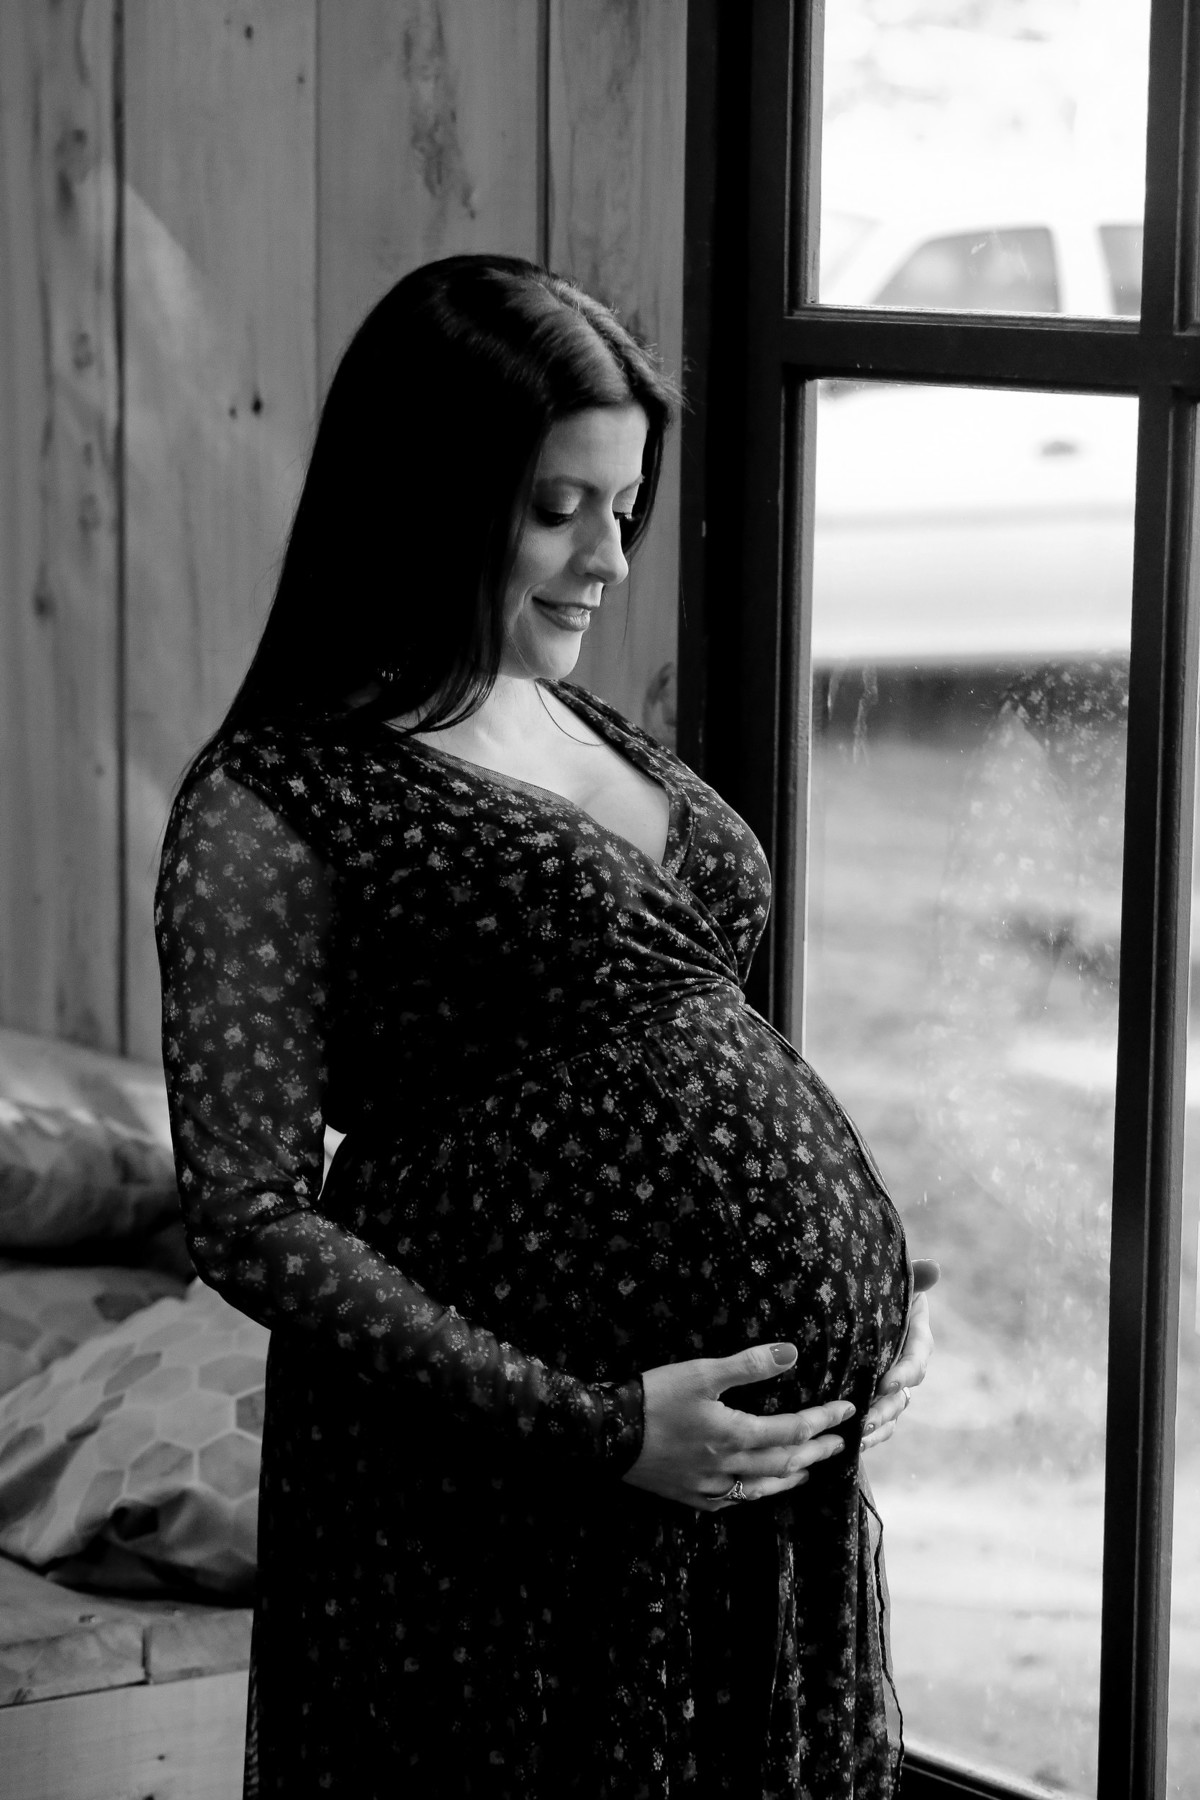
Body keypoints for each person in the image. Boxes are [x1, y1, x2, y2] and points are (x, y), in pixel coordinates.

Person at [155, 254, 935, 1799]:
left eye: (625, 506)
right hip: (503, 1499)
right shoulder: (270, 799)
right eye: (557, 510)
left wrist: (869, 1301)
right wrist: (597, 1424)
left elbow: (695, 1052)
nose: (609, 559)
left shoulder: (569, 714)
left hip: (749, 1491)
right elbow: (247, 1216)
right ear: (426, 503)